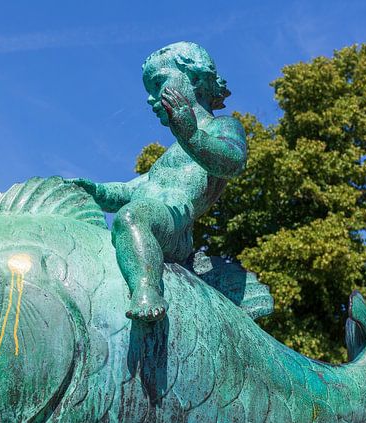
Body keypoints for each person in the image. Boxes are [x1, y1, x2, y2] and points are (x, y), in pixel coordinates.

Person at [69, 42, 246, 321]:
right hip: (154, 215)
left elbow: (233, 162)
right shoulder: (169, 157)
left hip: (175, 226)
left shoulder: (222, 127)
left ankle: (146, 291)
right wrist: (98, 191)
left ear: (196, 79)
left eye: (158, 83)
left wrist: (192, 136)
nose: (151, 99)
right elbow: (135, 187)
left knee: (131, 217)